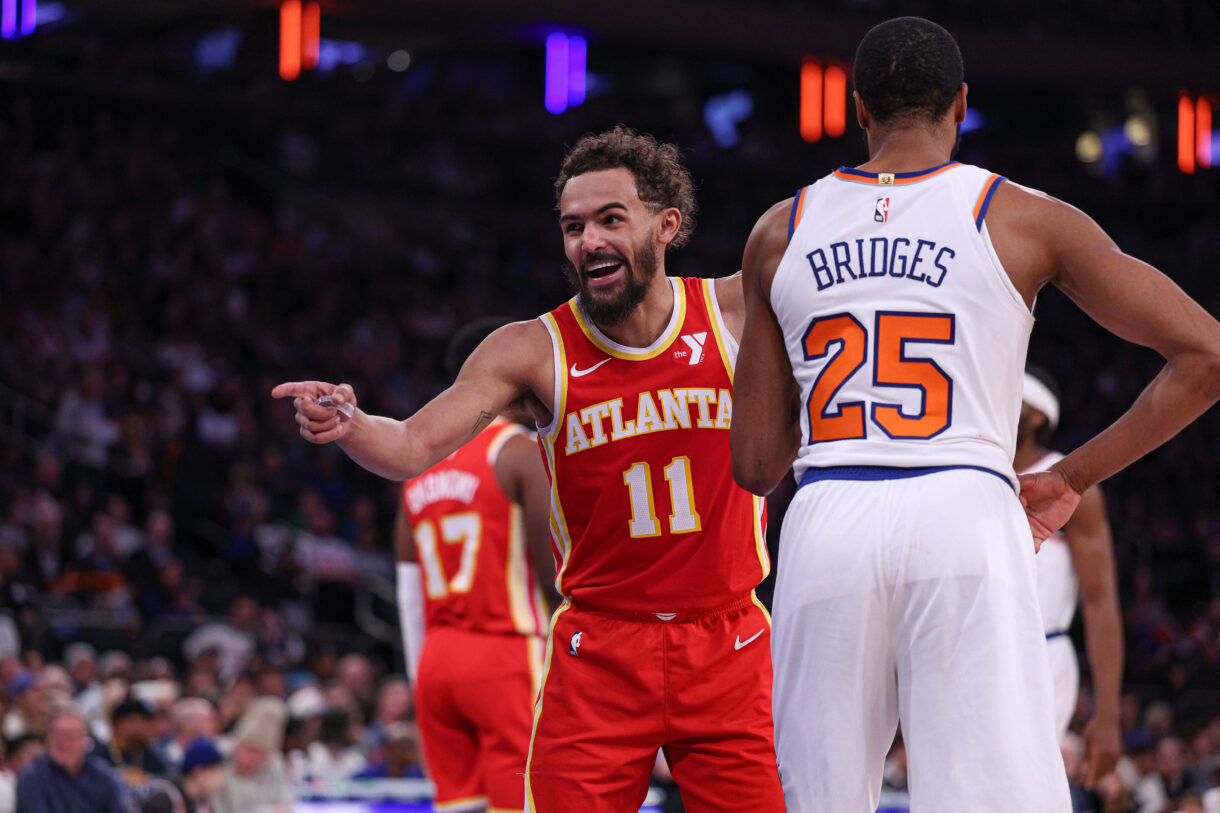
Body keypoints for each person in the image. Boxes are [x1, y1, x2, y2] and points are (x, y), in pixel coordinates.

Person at [730, 15, 1220, 813]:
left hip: (827, 518)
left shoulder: (777, 231)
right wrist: (1069, 477)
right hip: (964, 504)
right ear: (962, 104)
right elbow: (1206, 355)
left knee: (815, 799)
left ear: (859, 110)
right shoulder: (1022, 215)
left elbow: (754, 465)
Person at [273, 126, 784, 811]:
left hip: (728, 637)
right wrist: (351, 424)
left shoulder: (732, 310)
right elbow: (412, 446)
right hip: (601, 645)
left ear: (667, 225)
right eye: (573, 226)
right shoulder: (530, 350)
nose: (589, 241)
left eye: (610, 219)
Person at [394, 318, 556, 813]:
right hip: (506, 654)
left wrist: (419, 675)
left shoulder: (417, 472)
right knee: (525, 803)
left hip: (436, 661)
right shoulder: (520, 454)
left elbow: (408, 589)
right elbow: (554, 567)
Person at [1017, 366, 1123, 772]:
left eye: (1015, 394)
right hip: (967, 646)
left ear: (1039, 415)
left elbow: (1100, 602)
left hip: (1042, 651)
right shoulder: (973, 467)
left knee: (1019, 789)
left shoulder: (1072, 481)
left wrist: (1108, 713)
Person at [15, 706, 131, 813]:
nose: (63, 742)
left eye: (70, 736)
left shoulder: (101, 774)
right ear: (48, 739)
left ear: (84, 741)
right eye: (57, 734)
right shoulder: (32, 777)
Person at [209, 697, 292, 813]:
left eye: (261, 755)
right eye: (250, 751)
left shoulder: (274, 764)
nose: (253, 762)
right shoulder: (216, 758)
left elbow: (286, 804)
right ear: (237, 745)